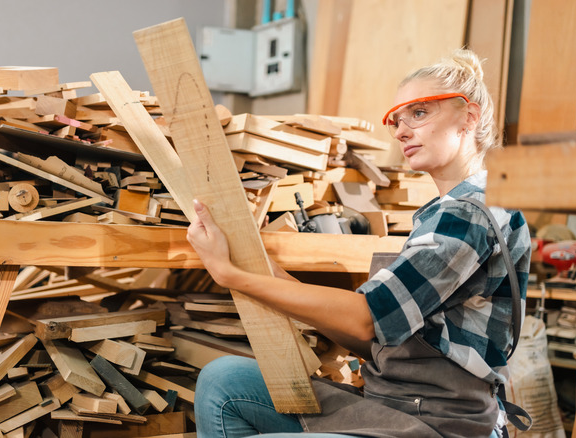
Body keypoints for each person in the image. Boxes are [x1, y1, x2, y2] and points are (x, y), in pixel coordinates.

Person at [186, 49, 531, 438]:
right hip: (394, 404)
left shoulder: (470, 213)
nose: (401, 131)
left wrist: (230, 274)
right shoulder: (445, 211)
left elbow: (364, 319)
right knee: (224, 380)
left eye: (419, 113)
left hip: (438, 423)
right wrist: (258, 261)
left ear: (469, 117)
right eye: (396, 121)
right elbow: (376, 335)